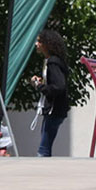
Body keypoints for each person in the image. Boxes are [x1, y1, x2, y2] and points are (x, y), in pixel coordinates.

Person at [29, 28, 70, 157]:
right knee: (46, 146)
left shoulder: (53, 62)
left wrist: (39, 86)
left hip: (54, 110)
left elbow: (58, 86)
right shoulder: (52, 61)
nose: (36, 44)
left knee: (43, 149)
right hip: (56, 110)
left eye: (39, 41)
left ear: (47, 44)